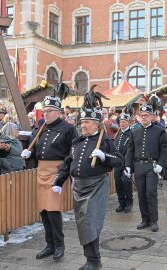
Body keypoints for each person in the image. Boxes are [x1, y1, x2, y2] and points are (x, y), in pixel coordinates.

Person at [53, 108, 123, 270]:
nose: (83, 125)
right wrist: (58, 181)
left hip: (96, 186)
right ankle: (91, 259)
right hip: (78, 187)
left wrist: (105, 156)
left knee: (90, 222)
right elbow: (68, 163)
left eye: (87, 122)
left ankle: (94, 261)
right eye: (82, 122)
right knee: (82, 223)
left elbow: (119, 160)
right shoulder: (77, 142)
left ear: (96, 125)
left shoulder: (105, 141)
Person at [21, 96, 78, 261]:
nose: (45, 114)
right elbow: (37, 147)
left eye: (49, 111)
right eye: (44, 111)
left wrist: (64, 174)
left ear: (58, 112)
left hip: (57, 171)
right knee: (44, 210)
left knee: (53, 210)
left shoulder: (68, 129)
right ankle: (50, 245)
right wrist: (29, 153)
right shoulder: (42, 127)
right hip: (42, 170)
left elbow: (72, 152)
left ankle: (60, 245)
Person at [125, 102, 167, 232]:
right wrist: (128, 165)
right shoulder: (135, 132)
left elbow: (164, 149)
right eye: (142, 115)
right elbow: (130, 150)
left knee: (151, 192)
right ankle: (145, 219)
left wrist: (161, 164)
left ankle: (154, 220)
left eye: (146, 115)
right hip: (138, 166)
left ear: (152, 117)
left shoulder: (159, 131)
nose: (144, 117)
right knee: (141, 194)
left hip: (152, 166)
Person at [113, 109, 133, 213]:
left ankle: (129, 203)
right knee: (118, 183)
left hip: (127, 162)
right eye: (120, 122)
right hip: (118, 163)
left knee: (126, 181)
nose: (121, 124)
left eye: (124, 122)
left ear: (128, 122)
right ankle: (121, 203)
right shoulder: (118, 134)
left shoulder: (132, 134)